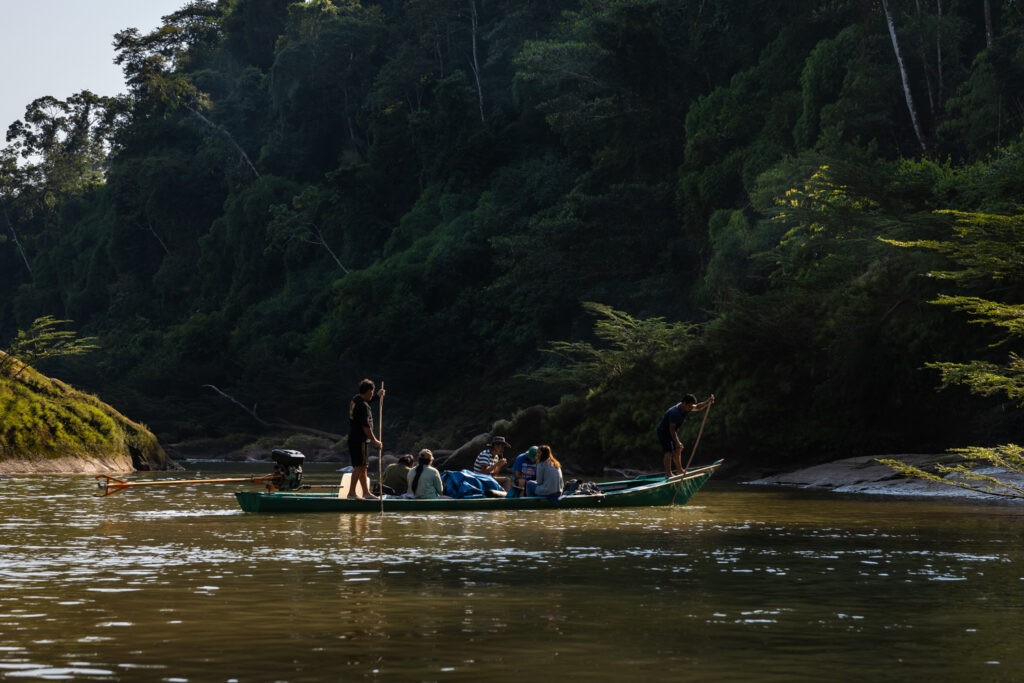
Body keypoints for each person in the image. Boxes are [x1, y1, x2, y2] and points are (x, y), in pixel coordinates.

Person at [657, 393, 715, 477]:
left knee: (678, 449)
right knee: (668, 451)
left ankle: (680, 470)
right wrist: (677, 442)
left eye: (691, 406)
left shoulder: (686, 407)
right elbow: (671, 430)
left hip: (672, 431)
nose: (691, 408)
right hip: (663, 431)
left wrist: (707, 402)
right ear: (684, 403)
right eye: (690, 406)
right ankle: (668, 474)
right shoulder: (675, 412)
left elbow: (698, 407)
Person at [348, 378, 385, 500]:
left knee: (363, 466)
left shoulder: (356, 399)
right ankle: (352, 493)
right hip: (360, 440)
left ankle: (366, 492)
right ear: (369, 391)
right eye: (372, 392)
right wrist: (375, 441)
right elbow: (366, 427)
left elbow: (366, 402)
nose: (372, 394)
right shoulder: (363, 406)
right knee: (359, 466)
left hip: (354, 439)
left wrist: (377, 397)